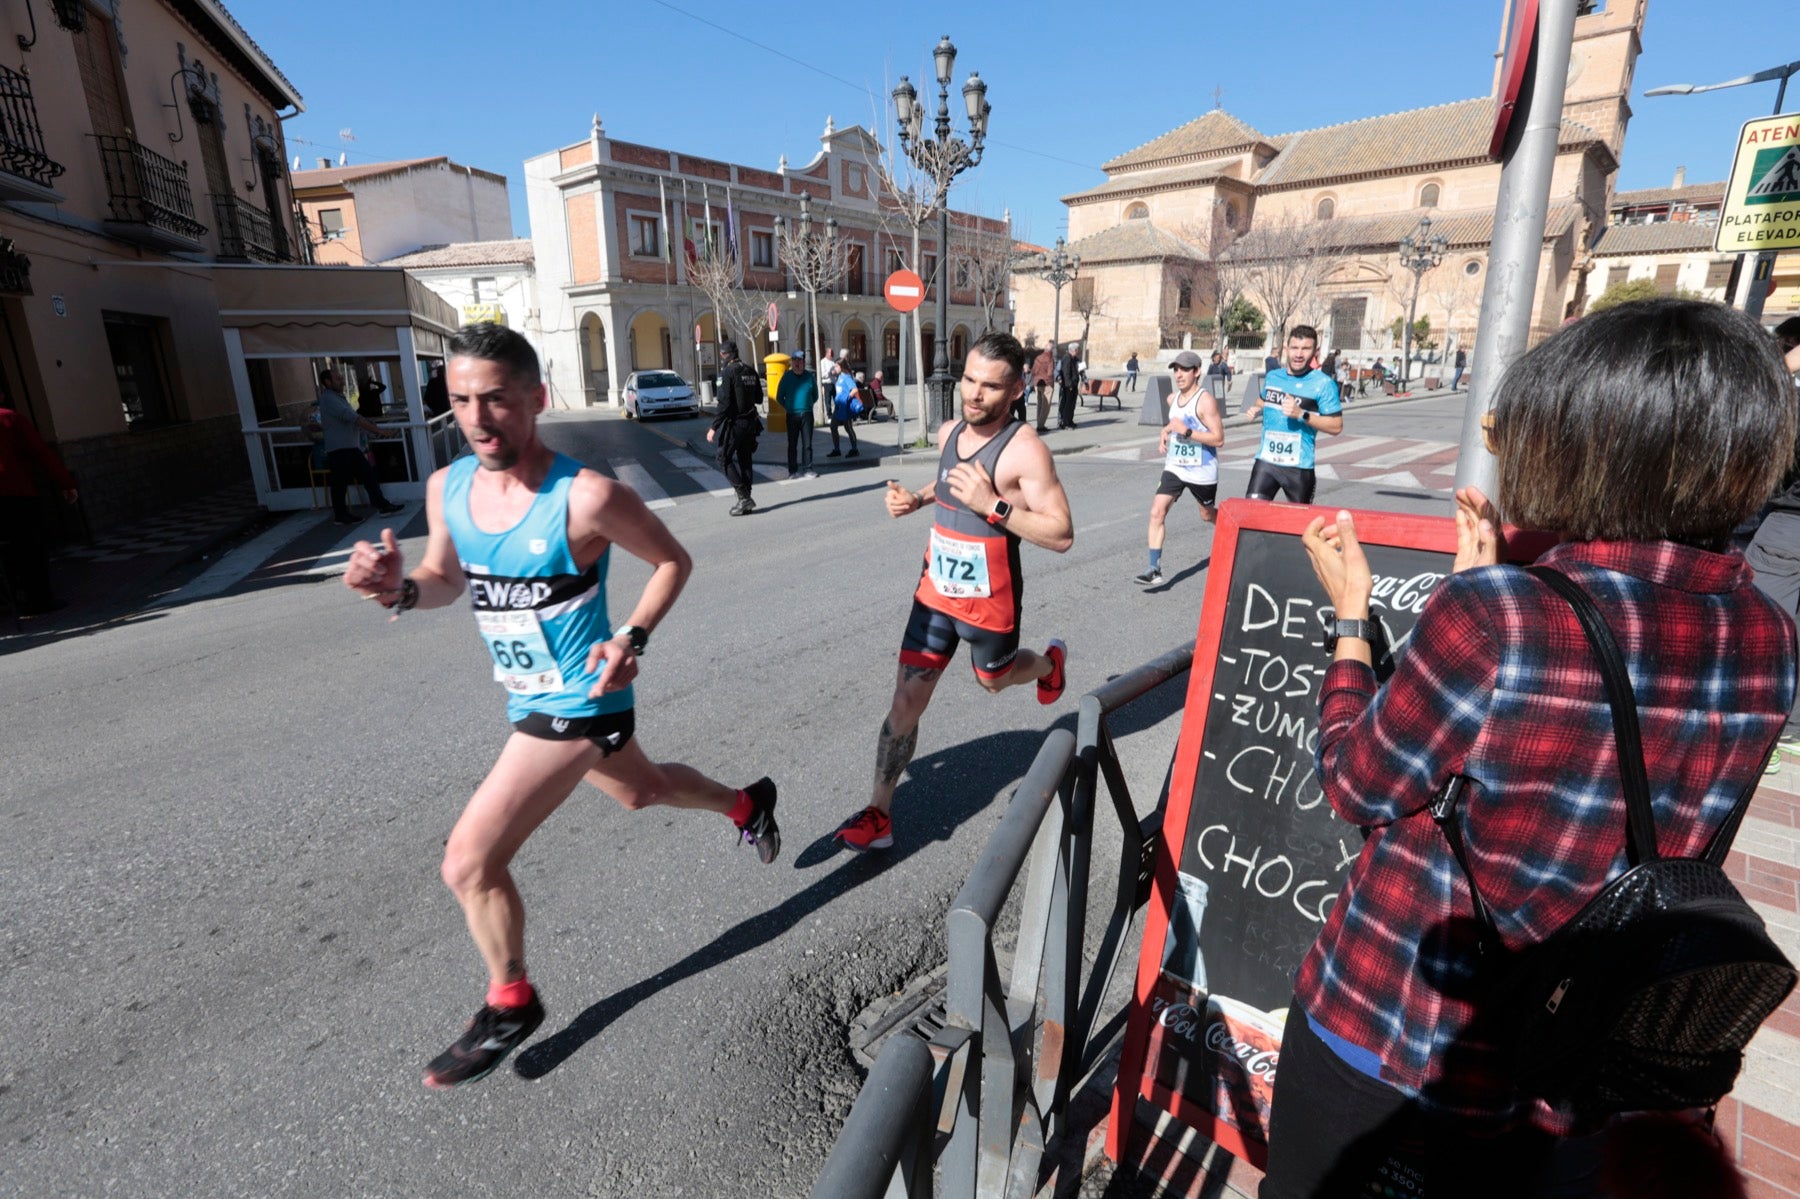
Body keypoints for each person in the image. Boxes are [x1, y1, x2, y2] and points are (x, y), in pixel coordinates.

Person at [1261, 298, 1797, 1199]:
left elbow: (1359, 783)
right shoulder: (1770, 636)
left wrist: (1353, 621)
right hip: (1570, 1058)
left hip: (1399, 1032)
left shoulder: (1501, 615)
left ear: (1592, 446)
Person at [341, 323, 780, 1090]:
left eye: (497, 400)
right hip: (530, 697)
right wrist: (401, 587)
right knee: (642, 792)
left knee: (469, 861)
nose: (478, 419)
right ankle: (747, 803)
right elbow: (447, 575)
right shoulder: (448, 488)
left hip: (585, 696)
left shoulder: (586, 496)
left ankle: (510, 999)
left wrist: (631, 636)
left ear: (536, 399)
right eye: (462, 402)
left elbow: (673, 560)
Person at [833, 332, 1075, 852]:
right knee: (904, 703)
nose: (973, 393)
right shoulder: (948, 431)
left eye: (989, 386)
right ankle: (879, 813)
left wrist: (996, 506)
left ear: (1015, 392)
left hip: (991, 600)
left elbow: (1061, 534)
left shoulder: (1026, 451)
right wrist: (916, 500)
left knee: (994, 681)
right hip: (935, 594)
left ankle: (1049, 665)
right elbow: (948, 483)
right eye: (968, 379)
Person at [1743, 316, 1800, 766]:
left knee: (1766, 626)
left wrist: (1785, 368)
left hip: (1789, 524)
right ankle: (1792, 729)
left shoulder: (1789, 391)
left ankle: (1762, 730)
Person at [1134, 350, 1222, 587]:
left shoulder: (1205, 401)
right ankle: (1154, 568)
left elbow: (1219, 439)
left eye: (1184, 370)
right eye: (1176, 369)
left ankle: (1228, 526)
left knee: (1206, 515)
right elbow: (1175, 422)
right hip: (1175, 467)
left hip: (1201, 469)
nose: (1179, 374)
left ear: (1197, 372)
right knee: (1156, 512)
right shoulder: (1172, 399)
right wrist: (1165, 432)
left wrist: (1187, 432)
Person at [1241, 325, 1343, 504]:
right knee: (1252, 515)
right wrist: (1257, 409)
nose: (1299, 354)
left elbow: (1336, 426)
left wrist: (1302, 414)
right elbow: (1262, 401)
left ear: (1315, 352)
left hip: (1299, 467)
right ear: (1287, 349)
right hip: (1266, 462)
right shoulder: (1273, 377)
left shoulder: (1323, 384)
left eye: (1305, 349)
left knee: (1299, 527)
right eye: (1295, 348)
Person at [0, 404, 78, 615]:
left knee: (7, 552)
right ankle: (39, 599)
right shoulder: (10, 419)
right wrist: (65, 482)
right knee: (30, 548)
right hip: (17, 494)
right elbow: (40, 452)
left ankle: (11, 599)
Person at [317, 367, 405, 525]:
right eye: (338, 379)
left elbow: (356, 417)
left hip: (349, 446)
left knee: (368, 475)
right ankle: (341, 516)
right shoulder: (329, 399)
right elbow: (352, 418)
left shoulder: (338, 397)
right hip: (339, 448)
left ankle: (382, 505)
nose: (342, 381)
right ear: (327, 382)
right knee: (340, 484)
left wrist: (372, 427)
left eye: (341, 378)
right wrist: (379, 431)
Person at [706, 341, 762, 515]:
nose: (722, 358)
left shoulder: (728, 372)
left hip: (736, 423)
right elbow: (760, 398)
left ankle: (744, 498)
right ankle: (745, 500)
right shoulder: (751, 370)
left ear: (726, 355)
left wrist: (714, 427)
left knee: (722, 457)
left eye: (722, 355)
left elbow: (725, 403)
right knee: (745, 460)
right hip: (750, 423)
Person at [776, 350, 818, 478]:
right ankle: (792, 471)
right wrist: (789, 407)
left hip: (807, 414)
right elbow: (779, 397)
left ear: (804, 362)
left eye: (800, 361)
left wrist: (808, 405)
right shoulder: (786, 377)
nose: (798, 363)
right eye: (795, 361)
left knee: (807, 444)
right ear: (791, 363)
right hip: (792, 415)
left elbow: (815, 395)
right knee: (792, 444)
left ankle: (808, 468)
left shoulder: (809, 377)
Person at [828, 364, 860, 458]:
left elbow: (854, 389)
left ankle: (854, 449)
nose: (835, 368)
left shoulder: (846, 377)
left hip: (845, 406)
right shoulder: (839, 377)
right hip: (838, 406)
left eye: (836, 366)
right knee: (833, 426)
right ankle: (837, 450)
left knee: (848, 428)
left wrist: (847, 398)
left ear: (841, 367)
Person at [1056, 343, 1081, 430]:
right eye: (1077, 350)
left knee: (1072, 404)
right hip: (1068, 386)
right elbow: (1066, 373)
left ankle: (1070, 421)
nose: (1078, 352)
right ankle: (1065, 423)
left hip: (1074, 385)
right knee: (1067, 405)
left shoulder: (1074, 359)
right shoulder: (1067, 358)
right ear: (1073, 350)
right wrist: (1069, 384)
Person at [1031, 344, 1054, 432]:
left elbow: (1033, 371)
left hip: (1037, 383)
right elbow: (1050, 373)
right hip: (1046, 384)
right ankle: (1040, 426)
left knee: (1039, 405)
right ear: (1050, 350)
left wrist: (1036, 378)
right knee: (1046, 406)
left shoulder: (1038, 358)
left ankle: (1039, 423)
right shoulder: (1050, 359)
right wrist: (1051, 384)